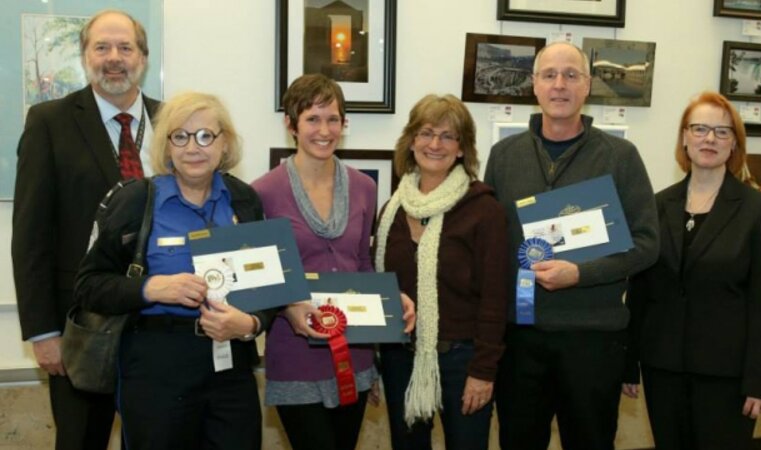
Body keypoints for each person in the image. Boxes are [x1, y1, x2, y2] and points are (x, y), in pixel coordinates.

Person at [484, 41, 659, 450]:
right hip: (521, 339)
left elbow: (648, 244)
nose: (559, 84)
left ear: (588, 85)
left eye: (571, 75)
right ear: (534, 85)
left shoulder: (620, 156)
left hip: (593, 340)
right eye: (549, 75)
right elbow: (491, 244)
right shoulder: (503, 156)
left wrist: (581, 274)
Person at [74, 92, 269, 450]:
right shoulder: (136, 201)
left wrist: (251, 324)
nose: (193, 147)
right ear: (166, 146)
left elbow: (269, 287)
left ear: (224, 143)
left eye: (205, 135)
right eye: (180, 136)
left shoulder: (244, 199)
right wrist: (150, 289)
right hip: (155, 365)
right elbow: (89, 286)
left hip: (231, 368)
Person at [11, 9, 158, 450]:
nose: (114, 58)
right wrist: (42, 332)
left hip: (159, 328)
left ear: (143, 58)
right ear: (85, 56)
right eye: (102, 47)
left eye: (125, 47)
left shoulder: (173, 122)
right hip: (80, 331)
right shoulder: (49, 121)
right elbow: (31, 235)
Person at [252, 73, 413, 450]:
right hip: (295, 353)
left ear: (343, 124)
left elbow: (362, 262)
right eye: (312, 119)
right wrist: (289, 305)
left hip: (354, 356)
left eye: (333, 119)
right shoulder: (263, 192)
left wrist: (390, 302)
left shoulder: (364, 187)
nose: (324, 130)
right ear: (290, 125)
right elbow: (262, 278)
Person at [624, 92, 761, 449]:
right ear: (684, 137)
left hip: (726, 375)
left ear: (734, 145)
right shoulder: (657, 205)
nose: (709, 139)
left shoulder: (758, 210)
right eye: (700, 128)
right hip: (663, 369)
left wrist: (760, 380)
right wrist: (628, 364)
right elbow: (640, 292)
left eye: (722, 132)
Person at [374, 94, 508, 450]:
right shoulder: (391, 210)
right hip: (400, 357)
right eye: (426, 133)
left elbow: (496, 298)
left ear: (462, 149)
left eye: (448, 136)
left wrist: (483, 371)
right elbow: (378, 289)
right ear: (411, 141)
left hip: (463, 361)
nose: (435, 144)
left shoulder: (484, 211)